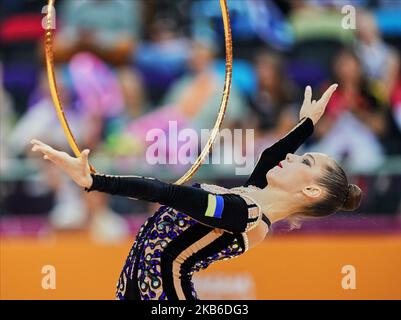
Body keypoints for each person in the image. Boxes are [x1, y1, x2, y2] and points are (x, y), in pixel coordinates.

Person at [30, 84, 362, 300]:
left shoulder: (243, 215)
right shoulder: (251, 200)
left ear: (310, 190)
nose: (291, 157)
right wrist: (307, 123)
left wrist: (94, 181)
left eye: (304, 161)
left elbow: (167, 193)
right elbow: (269, 157)